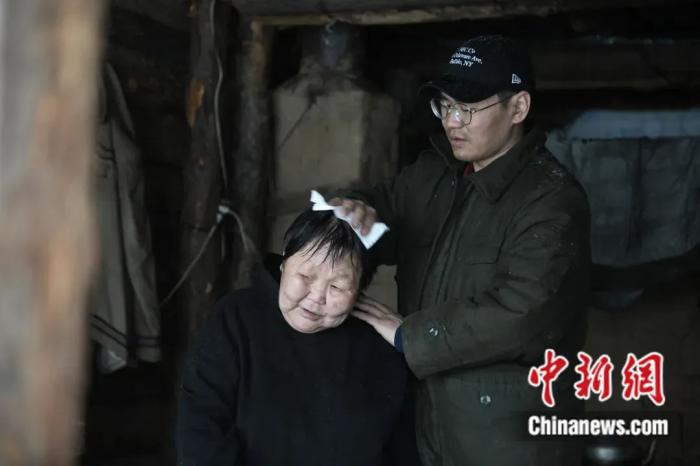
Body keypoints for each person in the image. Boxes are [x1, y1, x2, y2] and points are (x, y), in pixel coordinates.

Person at [333, 35, 591, 465]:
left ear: (518, 108)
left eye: (467, 108)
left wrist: (412, 336)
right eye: (445, 106)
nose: (452, 121)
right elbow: (384, 208)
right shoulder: (434, 174)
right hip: (430, 421)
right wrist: (352, 212)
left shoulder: (550, 199)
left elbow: (522, 311)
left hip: (507, 439)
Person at [176, 209, 415, 466]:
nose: (316, 296)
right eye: (305, 276)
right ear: (284, 262)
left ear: (359, 290)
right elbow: (201, 429)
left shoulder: (378, 350)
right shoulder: (236, 319)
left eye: (337, 286)